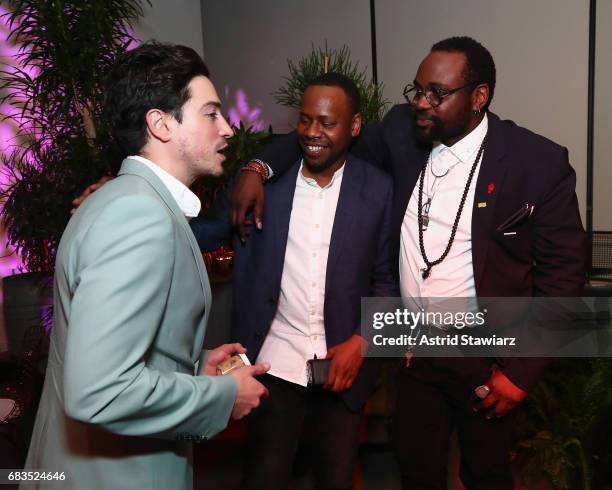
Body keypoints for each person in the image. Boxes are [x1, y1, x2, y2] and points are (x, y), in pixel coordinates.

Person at [230, 37, 586, 489]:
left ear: (479, 97)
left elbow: (564, 280)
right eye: (417, 89)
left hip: (489, 356)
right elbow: (317, 135)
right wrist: (255, 168)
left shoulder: (535, 162)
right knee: (416, 472)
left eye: (438, 93)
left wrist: (521, 372)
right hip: (415, 355)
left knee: (488, 475)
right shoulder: (404, 131)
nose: (422, 102)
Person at [23, 42, 269, 490]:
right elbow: (99, 390)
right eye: (211, 114)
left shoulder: (125, 201)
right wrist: (221, 396)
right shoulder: (138, 215)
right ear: (160, 124)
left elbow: (117, 353)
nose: (229, 128)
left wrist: (192, 369)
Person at [231, 73, 399, 490]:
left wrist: (362, 342)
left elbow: (387, 282)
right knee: (264, 478)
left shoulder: (378, 190)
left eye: (326, 123)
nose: (311, 133)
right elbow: (204, 226)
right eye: (305, 121)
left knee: (337, 479)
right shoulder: (266, 186)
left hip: (343, 364)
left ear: (354, 126)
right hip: (275, 360)